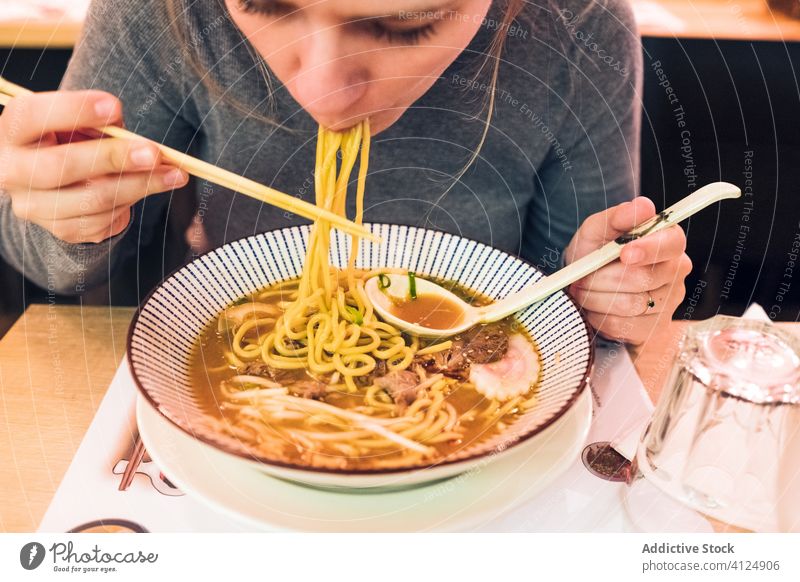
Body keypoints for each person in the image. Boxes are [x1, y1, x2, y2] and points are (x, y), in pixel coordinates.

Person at [0, 0, 690, 345]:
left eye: (406, 24)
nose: (323, 95)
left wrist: (614, 288)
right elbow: (44, 260)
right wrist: (70, 212)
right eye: (267, 3)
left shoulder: (576, 21)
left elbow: (573, 292)